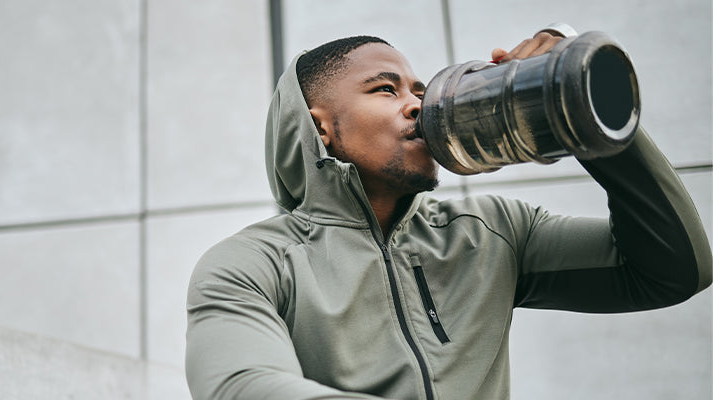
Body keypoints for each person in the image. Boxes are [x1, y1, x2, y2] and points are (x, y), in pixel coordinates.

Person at [184, 29, 712, 400]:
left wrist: (580, 111)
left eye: (419, 89)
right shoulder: (253, 263)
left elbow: (672, 270)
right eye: (385, 89)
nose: (417, 103)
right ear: (320, 127)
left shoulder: (495, 233)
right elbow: (240, 386)